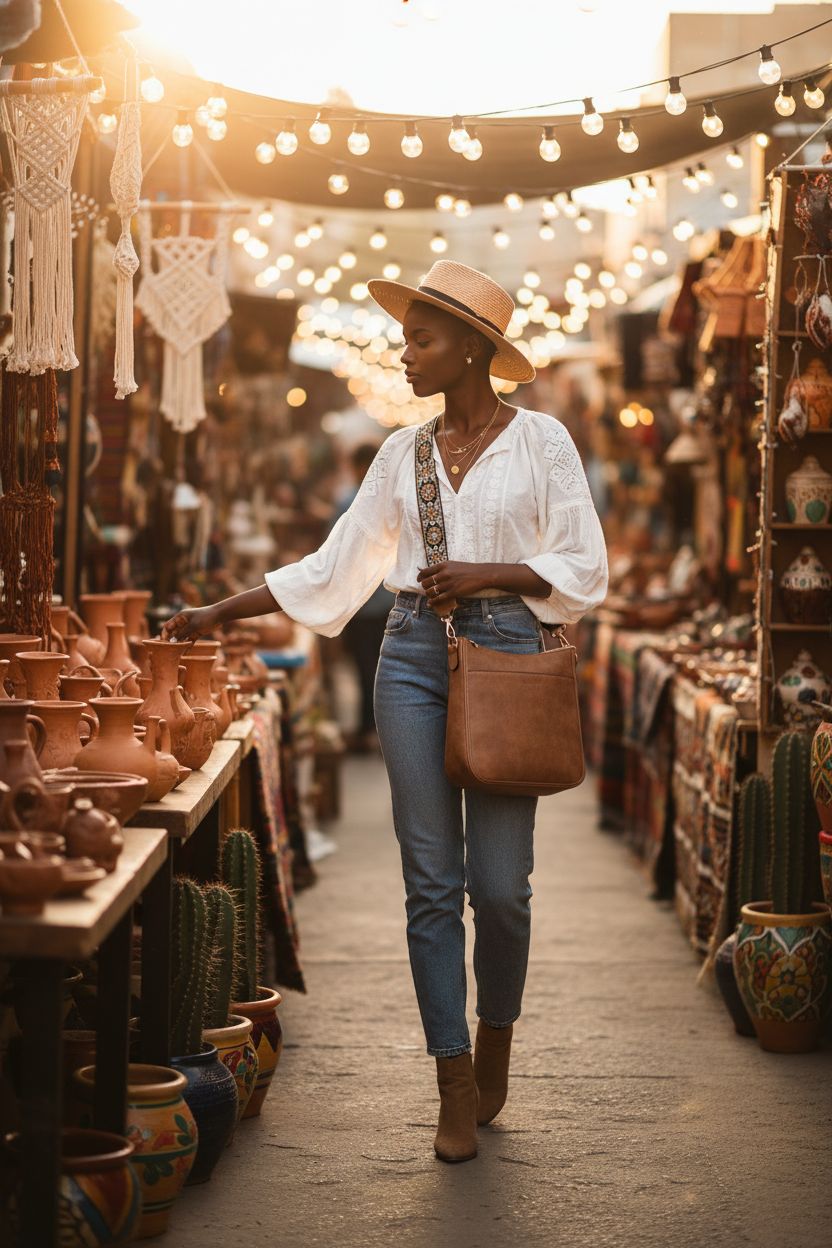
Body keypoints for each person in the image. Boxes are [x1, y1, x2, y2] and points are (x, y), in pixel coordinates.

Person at [162, 260, 609, 1165]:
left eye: (422, 339)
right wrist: (220, 610)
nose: (403, 355)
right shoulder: (400, 454)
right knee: (433, 886)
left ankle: (496, 1040)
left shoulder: (544, 443)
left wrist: (486, 574)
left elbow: (583, 565)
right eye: (404, 338)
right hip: (411, 656)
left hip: (512, 657)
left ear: (475, 349)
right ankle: (450, 1078)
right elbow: (335, 566)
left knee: (502, 890)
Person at [329, 443, 394, 751]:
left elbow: (335, 553)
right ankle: (376, 728)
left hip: (362, 600)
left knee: (365, 666)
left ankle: (370, 728)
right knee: (380, 667)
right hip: (387, 598)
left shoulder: (349, 500)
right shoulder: (390, 497)